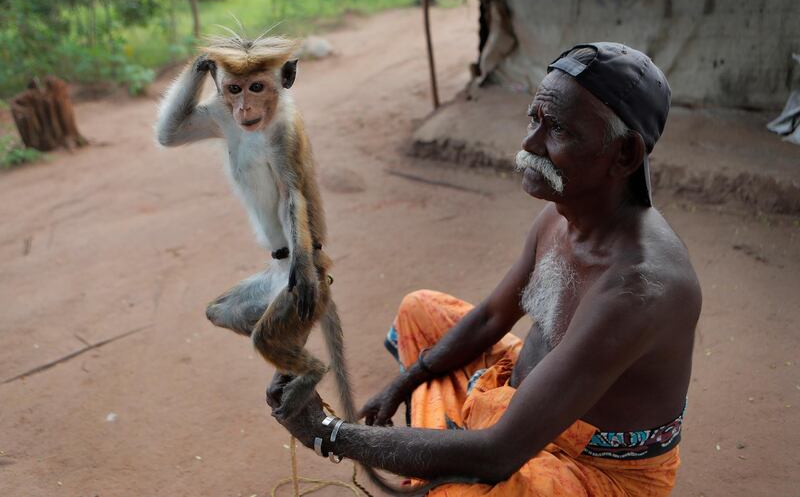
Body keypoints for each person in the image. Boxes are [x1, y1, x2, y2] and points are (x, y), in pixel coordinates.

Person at [267, 42, 702, 496]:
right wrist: (407, 379)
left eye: (557, 130)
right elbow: (493, 317)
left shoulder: (641, 289)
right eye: (534, 119)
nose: (530, 144)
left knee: (461, 489)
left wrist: (327, 432)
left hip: (592, 469)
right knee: (421, 311)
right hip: (519, 402)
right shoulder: (559, 217)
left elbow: (498, 453)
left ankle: (440, 448)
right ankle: (441, 439)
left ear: (625, 155)